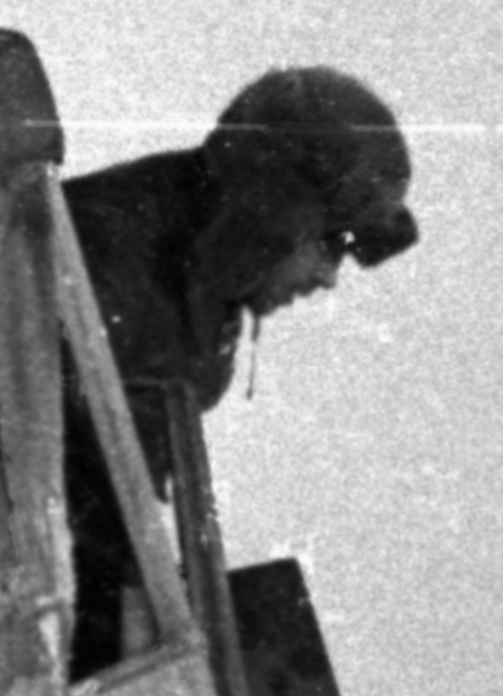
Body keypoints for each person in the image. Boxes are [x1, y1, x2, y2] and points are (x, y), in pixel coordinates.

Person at [62, 67, 419, 476]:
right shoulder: (107, 258)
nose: (328, 277)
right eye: (329, 246)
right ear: (273, 217)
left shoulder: (201, 277)